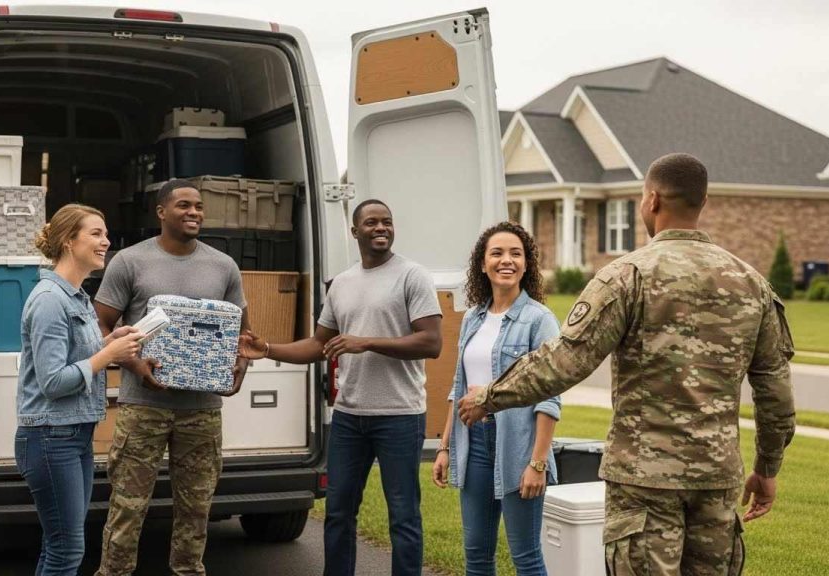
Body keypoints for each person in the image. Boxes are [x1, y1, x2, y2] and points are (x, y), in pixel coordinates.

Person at [458, 153, 796, 576]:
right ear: (702, 202)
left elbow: (565, 361)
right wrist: (767, 469)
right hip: (717, 479)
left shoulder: (626, 276)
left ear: (651, 200)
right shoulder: (752, 284)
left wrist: (489, 397)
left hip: (642, 482)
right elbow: (776, 393)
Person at [239, 199, 442, 576]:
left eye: (387, 221)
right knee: (337, 513)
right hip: (349, 416)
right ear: (355, 231)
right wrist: (266, 349)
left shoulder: (412, 276)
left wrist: (365, 342)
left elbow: (431, 343)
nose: (381, 228)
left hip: (399, 415)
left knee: (403, 516)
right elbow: (319, 344)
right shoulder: (342, 283)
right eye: (371, 223)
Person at [92, 179, 250, 576]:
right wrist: (133, 365)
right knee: (128, 507)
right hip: (143, 406)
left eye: (198, 206)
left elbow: (240, 335)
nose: (194, 212)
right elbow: (99, 328)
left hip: (202, 410)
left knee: (196, 510)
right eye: (183, 205)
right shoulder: (129, 262)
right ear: (161, 211)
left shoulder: (223, 265)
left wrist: (239, 366)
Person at [15, 204, 143, 576]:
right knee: (67, 551)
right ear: (69, 241)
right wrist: (108, 354)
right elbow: (53, 382)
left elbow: (79, 353)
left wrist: (113, 338)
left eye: (105, 234)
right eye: (96, 233)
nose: (106, 241)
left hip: (72, 437)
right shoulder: (50, 301)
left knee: (59, 548)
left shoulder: (78, 296)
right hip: (51, 438)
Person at [432, 221, 561, 576]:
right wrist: (445, 447)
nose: (507, 260)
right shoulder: (473, 317)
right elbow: (458, 387)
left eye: (516, 254)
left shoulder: (540, 320)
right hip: (473, 445)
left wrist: (537, 463)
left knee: (526, 557)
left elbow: (549, 399)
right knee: (476, 554)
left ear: (526, 264)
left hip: (518, 446)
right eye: (498, 253)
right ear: (483, 264)